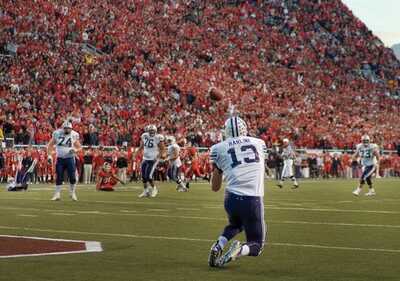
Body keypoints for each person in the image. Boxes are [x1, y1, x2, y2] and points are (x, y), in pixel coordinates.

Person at [208, 116, 267, 268]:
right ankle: (239, 250)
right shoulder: (259, 143)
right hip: (252, 200)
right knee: (256, 245)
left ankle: (218, 246)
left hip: (231, 199)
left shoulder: (218, 148)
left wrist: (219, 167)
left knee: (236, 224)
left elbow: (215, 187)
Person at [47, 121, 81, 201]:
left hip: (70, 159)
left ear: (71, 129)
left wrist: (75, 150)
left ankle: (72, 193)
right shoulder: (57, 133)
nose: (67, 130)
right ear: (63, 128)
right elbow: (50, 145)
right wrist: (49, 156)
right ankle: (57, 194)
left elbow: (79, 147)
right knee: (59, 176)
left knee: (72, 178)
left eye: (69, 129)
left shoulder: (74, 135)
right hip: (60, 159)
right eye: (65, 128)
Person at [134, 125, 165, 198]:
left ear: (155, 131)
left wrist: (158, 156)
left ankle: (155, 189)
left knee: (149, 176)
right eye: (150, 130)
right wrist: (136, 152)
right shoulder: (144, 135)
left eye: (152, 130)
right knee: (143, 177)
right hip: (145, 158)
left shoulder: (158, 137)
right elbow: (141, 146)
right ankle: (146, 191)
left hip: (153, 159)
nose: (151, 132)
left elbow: (162, 149)